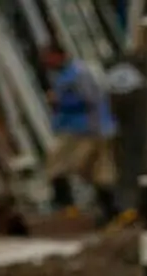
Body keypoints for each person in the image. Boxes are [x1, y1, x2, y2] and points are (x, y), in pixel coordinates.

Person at [41, 46, 120, 225]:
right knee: (98, 171)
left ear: (59, 56)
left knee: (56, 163)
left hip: (83, 129)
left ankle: (65, 205)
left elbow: (90, 98)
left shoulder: (77, 74)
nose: (46, 63)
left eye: (49, 58)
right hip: (96, 128)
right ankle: (111, 211)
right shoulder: (73, 73)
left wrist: (59, 100)